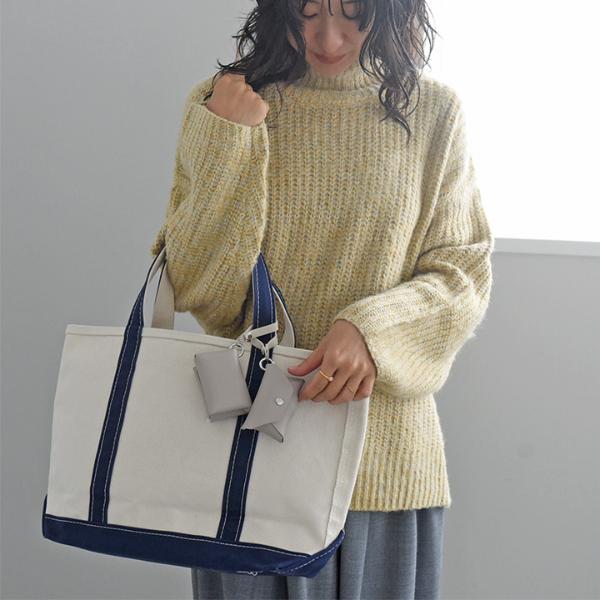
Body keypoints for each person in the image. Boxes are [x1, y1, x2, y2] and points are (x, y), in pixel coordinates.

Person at [150, 0, 494, 598]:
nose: (329, 38)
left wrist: (372, 331)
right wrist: (228, 137)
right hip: (246, 466)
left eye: (354, 15)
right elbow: (201, 288)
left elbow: (461, 270)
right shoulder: (220, 105)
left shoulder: (433, 111)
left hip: (381, 467)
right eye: (307, 13)